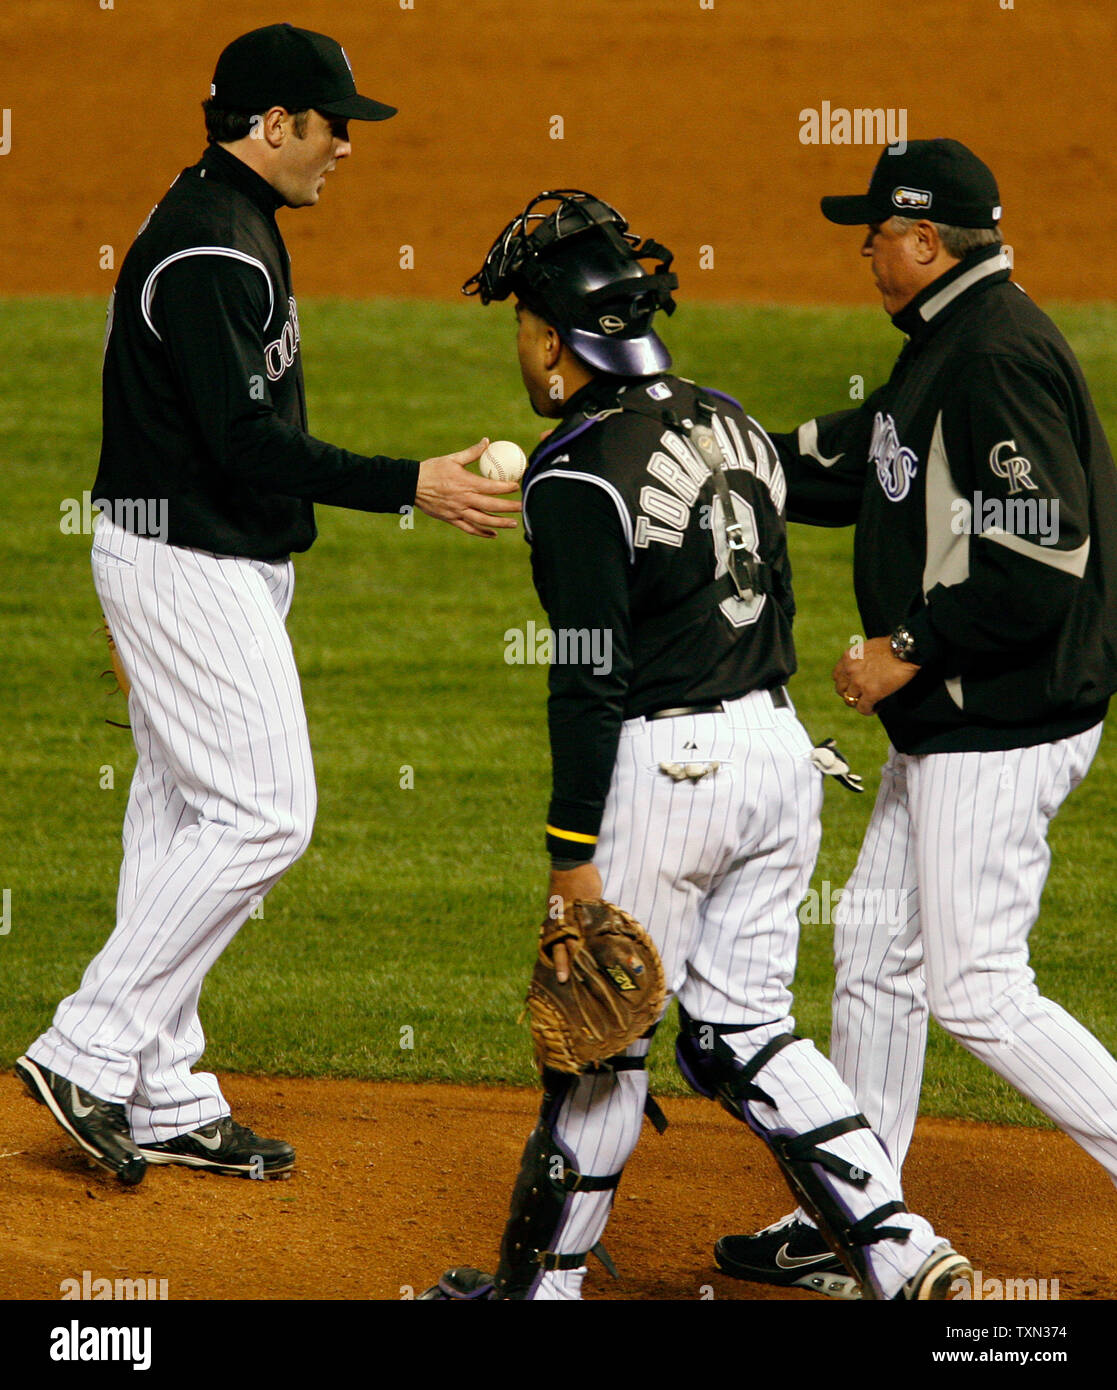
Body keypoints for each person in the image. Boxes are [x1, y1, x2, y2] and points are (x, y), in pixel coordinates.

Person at [419, 189, 971, 1301]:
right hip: (779, 759)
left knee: (599, 1040)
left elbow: (585, 676)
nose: (521, 350)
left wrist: (570, 851)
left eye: (522, 324)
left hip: (664, 780)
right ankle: (907, 1254)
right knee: (739, 1030)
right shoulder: (725, 418)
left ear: (557, 337)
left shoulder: (576, 471)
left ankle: (542, 1292)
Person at [14, 23, 518, 1186]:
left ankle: (163, 1089)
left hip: (176, 555)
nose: (347, 144)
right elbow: (246, 441)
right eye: (335, 124)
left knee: (179, 818)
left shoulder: (223, 219)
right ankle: (84, 1047)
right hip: (190, 564)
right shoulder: (210, 249)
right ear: (275, 124)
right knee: (264, 815)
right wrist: (413, 485)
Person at [716, 139, 1117, 1295]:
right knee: (878, 959)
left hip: (1002, 721)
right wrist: (722, 454)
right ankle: (857, 1215)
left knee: (979, 987)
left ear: (926, 240)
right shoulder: (950, 337)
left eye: (874, 233)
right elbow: (866, 461)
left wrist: (907, 646)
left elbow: (1040, 555)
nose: (863, 251)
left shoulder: (995, 354)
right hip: (960, 722)